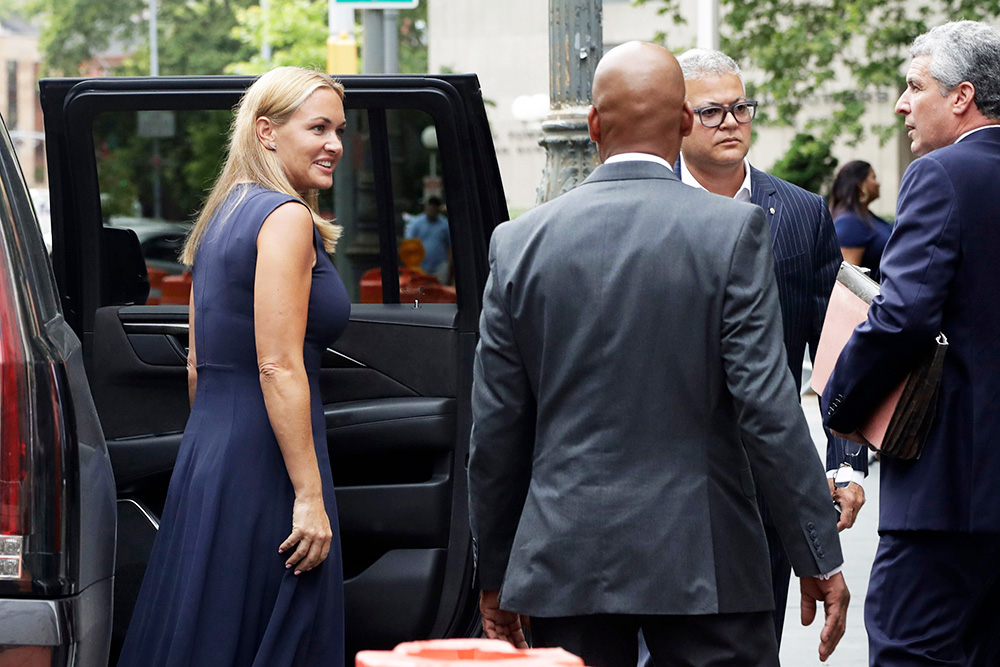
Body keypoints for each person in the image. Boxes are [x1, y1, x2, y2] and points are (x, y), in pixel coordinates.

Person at [468, 41, 849, 667]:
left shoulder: (518, 245)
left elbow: (497, 429)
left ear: (593, 126)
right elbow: (767, 408)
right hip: (708, 560)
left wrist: (498, 571)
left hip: (565, 562)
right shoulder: (731, 231)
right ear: (680, 124)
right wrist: (817, 553)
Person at [117, 66, 350, 667]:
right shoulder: (287, 218)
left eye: (340, 130)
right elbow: (277, 364)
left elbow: (198, 365)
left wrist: (221, 456)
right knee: (279, 626)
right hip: (272, 454)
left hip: (213, 449)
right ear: (267, 131)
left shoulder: (219, 217)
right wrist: (307, 494)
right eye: (318, 127)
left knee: (211, 625)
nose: (335, 145)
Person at [671, 48, 865, 644]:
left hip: (767, 484)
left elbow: (837, 351)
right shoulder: (650, 211)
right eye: (711, 112)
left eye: (740, 108)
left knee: (754, 648)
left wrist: (845, 463)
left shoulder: (802, 213)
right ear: (678, 119)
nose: (731, 122)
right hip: (666, 481)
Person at [822, 20, 1000, 666]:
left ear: (962, 96)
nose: (902, 102)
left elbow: (904, 317)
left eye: (914, 85)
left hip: (948, 497)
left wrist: (837, 400)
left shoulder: (941, 176)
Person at [829, 160, 893, 281]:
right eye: (873, 177)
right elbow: (850, 281)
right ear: (861, 184)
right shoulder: (849, 223)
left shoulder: (866, 217)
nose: (878, 183)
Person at [404, 195, 451, 283]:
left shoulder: (445, 224)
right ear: (426, 206)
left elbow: (449, 246)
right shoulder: (415, 223)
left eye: (435, 205)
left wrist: (450, 265)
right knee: (422, 292)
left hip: (440, 266)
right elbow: (408, 244)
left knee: (440, 293)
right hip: (420, 266)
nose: (432, 208)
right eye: (430, 205)